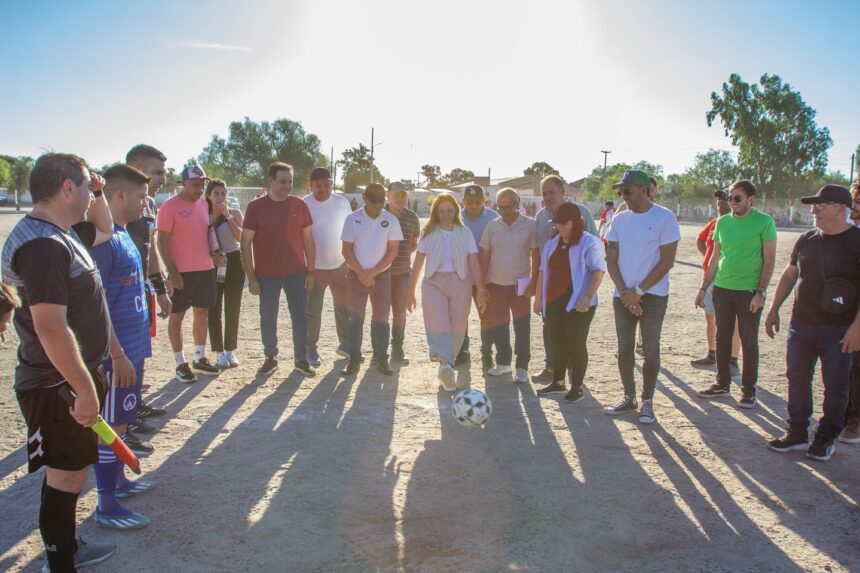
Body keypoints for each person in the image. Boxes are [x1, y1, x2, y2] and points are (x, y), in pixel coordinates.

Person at [1, 153, 116, 571]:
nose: (91, 194)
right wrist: (85, 390)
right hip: (59, 384)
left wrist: (99, 189)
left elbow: (106, 227)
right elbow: (50, 327)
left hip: (71, 377)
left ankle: (67, 546)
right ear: (68, 188)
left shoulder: (60, 232)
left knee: (70, 472)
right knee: (65, 476)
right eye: (86, 186)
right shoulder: (43, 245)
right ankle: (60, 563)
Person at [764, 185, 860, 461]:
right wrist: (774, 308)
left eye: (821, 204)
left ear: (841, 208)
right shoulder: (806, 238)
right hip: (801, 326)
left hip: (839, 331)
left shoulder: (856, 241)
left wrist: (856, 328)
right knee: (797, 379)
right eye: (813, 205)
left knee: (836, 385)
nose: (814, 209)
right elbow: (790, 273)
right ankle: (797, 432)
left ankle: (827, 435)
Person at [86, 164, 156, 529]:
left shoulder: (125, 233)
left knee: (122, 422)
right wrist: (117, 353)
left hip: (132, 348)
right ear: (119, 195)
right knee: (109, 424)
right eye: (142, 197)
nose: (147, 203)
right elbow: (96, 304)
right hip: (116, 355)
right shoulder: (103, 241)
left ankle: (119, 483)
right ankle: (106, 505)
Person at [604, 170, 680, 424]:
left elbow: (666, 262)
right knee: (624, 349)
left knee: (650, 349)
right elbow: (611, 259)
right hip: (623, 295)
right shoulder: (619, 219)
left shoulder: (664, 217)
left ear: (644, 189)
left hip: (653, 295)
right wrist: (626, 293)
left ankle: (647, 401)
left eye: (627, 191)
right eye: (621, 192)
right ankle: (629, 397)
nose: (623, 195)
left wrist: (639, 292)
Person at [696, 179, 777, 408]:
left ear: (751, 199)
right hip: (722, 288)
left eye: (737, 198)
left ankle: (748, 390)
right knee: (722, 337)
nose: (732, 203)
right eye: (730, 198)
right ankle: (722, 383)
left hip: (749, 291)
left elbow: (769, 261)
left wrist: (760, 291)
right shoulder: (721, 223)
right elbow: (714, 258)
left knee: (749, 341)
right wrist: (703, 288)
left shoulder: (764, 222)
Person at [241, 162, 316, 377]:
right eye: (282, 182)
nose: (287, 186)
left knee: (300, 316)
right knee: (268, 316)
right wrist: (251, 277)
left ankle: (301, 359)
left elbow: (309, 240)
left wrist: (311, 271)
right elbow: (245, 243)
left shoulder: (299, 205)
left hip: (297, 273)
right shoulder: (256, 207)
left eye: (290, 182)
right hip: (266, 275)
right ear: (270, 181)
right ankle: (270, 357)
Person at [407, 194, 488, 390]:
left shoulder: (465, 232)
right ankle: (446, 366)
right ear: (436, 212)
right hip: (434, 282)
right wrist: (410, 291)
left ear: (456, 212)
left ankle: (447, 366)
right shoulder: (428, 233)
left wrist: (481, 289)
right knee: (439, 322)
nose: (445, 215)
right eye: (441, 211)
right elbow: (418, 264)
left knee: (459, 325)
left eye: (449, 211)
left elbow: (474, 264)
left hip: (461, 281)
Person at [533, 203, 606, 402]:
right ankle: (558, 382)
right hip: (554, 301)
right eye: (558, 223)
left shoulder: (589, 242)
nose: (561, 227)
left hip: (578, 302)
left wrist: (587, 296)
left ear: (576, 222)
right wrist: (538, 298)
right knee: (558, 342)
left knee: (576, 344)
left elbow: (598, 272)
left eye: (566, 223)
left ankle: (577, 386)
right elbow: (542, 271)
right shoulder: (552, 242)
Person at [156, 164, 221, 382]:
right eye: (195, 185)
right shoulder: (169, 206)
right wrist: (172, 272)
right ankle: (180, 363)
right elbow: (161, 241)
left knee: (202, 313)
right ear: (183, 183)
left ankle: (199, 358)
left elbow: (207, 234)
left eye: (202, 184)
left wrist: (215, 253)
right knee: (177, 317)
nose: (199, 188)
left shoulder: (204, 205)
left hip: (205, 270)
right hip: (181, 273)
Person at [124, 145, 169, 451]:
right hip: (119, 293)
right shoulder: (116, 201)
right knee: (120, 357)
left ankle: (134, 406)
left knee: (140, 352)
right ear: (137, 168)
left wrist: (160, 289)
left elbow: (150, 251)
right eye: (157, 172)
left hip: (141, 289)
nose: (164, 178)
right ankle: (120, 420)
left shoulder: (150, 204)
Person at [340, 183, 403, 376]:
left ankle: (381, 359)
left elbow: (393, 251)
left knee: (381, 319)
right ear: (364, 198)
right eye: (373, 200)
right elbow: (346, 250)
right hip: (355, 275)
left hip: (381, 276)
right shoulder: (352, 219)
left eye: (381, 201)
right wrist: (361, 273)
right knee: (355, 320)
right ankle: (354, 359)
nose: (377, 205)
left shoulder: (391, 220)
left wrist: (373, 273)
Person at [481, 187, 539, 384]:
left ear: (517, 204)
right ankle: (503, 362)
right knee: (500, 325)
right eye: (501, 207)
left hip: (520, 284)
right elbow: (485, 256)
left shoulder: (530, 226)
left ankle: (522, 366)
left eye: (509, 207)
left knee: (522, 326)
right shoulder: (492, 227)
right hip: (496, 284)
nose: (504, 211)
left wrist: (535, 282)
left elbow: (535, 255)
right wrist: (482, 284)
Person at [303, 167, 352, 366]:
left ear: (332, 183)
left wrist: (350, 261)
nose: (323, 189)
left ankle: (346, 345)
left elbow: (351, 231)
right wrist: (307, 269)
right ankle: (310, 349)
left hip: (341, 265)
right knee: (313, 311)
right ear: (311, 185)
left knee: (343, 307)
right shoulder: (303, 204)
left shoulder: (342, 202)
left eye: (326, 184)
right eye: (318, 185)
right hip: (314, 268)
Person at [690, 189, 741, 372]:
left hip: (728, 278)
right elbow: (700, 239)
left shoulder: (737, 224)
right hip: (710, 276)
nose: (721, 201)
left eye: (725, 198)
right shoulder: (714, 223)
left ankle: (732, 359)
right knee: (710, 317)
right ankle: (712, 354)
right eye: (718, 198)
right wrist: (708, 258)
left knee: (732, 320)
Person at [456, 184, 498, 370]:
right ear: (463, 201)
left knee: (487, 316)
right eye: (469, 202)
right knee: (460, 315)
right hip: (462, 276)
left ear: (484, 201)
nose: (473, 206)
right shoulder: (455, 217)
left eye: (477, 202)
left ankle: (487, 353)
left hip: (485, 276)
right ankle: (462, 351)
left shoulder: (493, 218)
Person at [205, 179, 245, 369]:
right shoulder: (204, 216)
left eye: (223, 193)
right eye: (216, 194)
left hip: (235, 262)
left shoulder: (235, 213)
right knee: (214, 309)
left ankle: (230, 350)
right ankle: (219, 351)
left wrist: (228, 217)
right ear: (209, 196)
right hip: (213, 263)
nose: (220, 197)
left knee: (232, 307)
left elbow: (241, 237)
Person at [385, 182, 420, 365]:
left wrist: (401, 255)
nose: (400, 197)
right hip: (381, 274)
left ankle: (397, 348)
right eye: (396, 194)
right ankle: (379, 352)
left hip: (402, 274)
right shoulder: (379, 215)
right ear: (387, 195)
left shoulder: (412, 217)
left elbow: (414, 243)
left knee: (400, 313)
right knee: (380, 314)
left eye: (403, 194)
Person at [843, 180, 860, 444]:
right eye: (853, 200)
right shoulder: (844, 231)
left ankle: (853, 419)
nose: (854, 206)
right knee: (843, 366)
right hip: (841, 308)